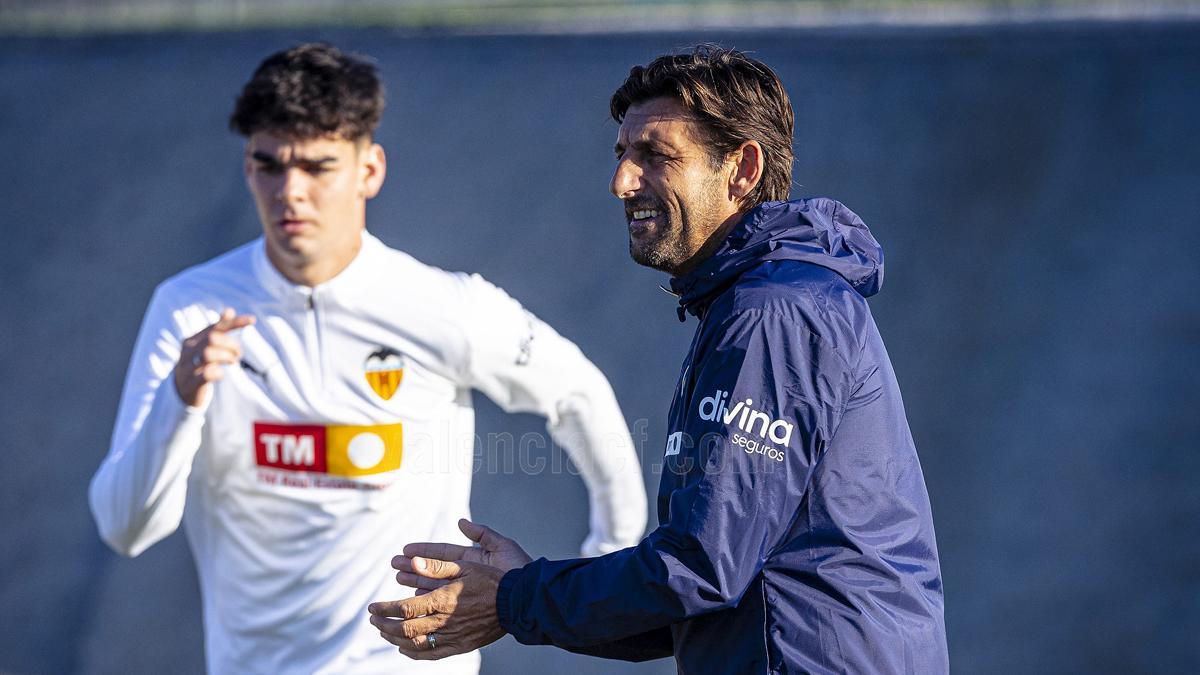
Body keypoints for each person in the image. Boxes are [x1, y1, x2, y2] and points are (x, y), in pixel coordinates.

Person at [368, 45, 949, 674]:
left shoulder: (771, 313)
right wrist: (521, 594)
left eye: (657, 156)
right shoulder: (751, 304)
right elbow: (691, 600)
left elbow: (700, 568)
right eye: (622, 154)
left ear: (742, 169)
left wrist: (516, 598)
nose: (622, 182)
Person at [88, 43, 648, 675]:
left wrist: (608, 563)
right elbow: (124, 527)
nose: (290, 192)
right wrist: (180, 402)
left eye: (318, 166)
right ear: (247, 167)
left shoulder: (444, 306)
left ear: (369, 170)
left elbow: (579, 394)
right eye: (268, 165)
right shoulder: (190, 310)